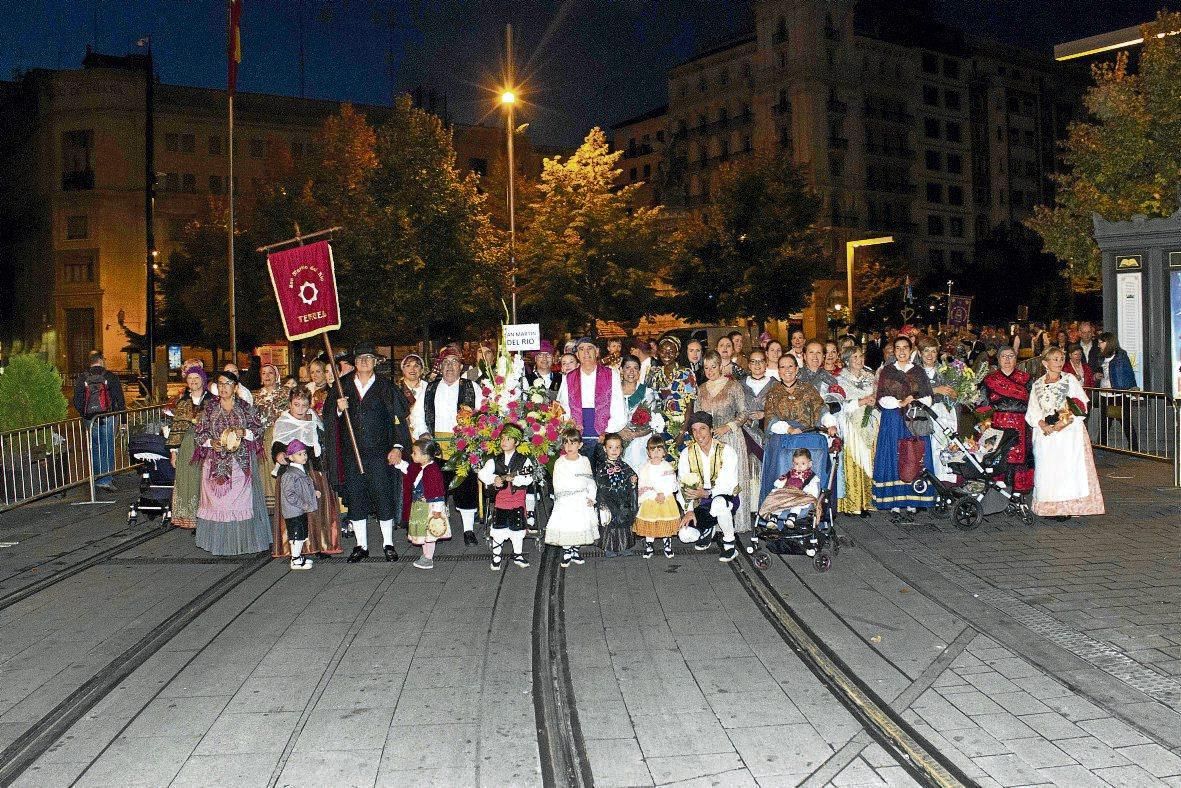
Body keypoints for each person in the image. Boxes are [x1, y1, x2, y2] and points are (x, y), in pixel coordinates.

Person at [325, 342, 412, 563]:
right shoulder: (341, 386)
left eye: (369, 358)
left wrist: (397, 447)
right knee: (356, 499)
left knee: (383, 496)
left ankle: (388, 543)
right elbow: (328, 418)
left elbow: (399, 420)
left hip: (379, 453)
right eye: (360, 358)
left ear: (376, 362)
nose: (364, 362)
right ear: (354, 362)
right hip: (351, 454)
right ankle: (360, 545)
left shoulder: (386, 387)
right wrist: (337, 408)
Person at [193, 370, 272, 555]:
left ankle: (242, 541)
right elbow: (200, 433)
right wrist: (211, 443)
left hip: (240, 463)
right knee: (217, 505)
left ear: (235, 387)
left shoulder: (246, 408)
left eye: (228, 384)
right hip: (215, 463)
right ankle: (218, 543)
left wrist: (244, 433)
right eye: (220, 384)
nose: (223, 387)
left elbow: (259, 430)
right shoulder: (209, 408)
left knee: (239, 503)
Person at [1026, 348, 1105, 518]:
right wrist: (1042, 424)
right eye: (1055, 359)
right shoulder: (1038, 384)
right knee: (1048, 470)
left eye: (1061, 359)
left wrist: (1063, 422)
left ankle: (1067, 507)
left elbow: (1080, 404)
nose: (1059, 362)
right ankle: (1049, 506)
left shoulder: (1070, 380)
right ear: (1045, 363)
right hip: (1046, 434)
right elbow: (1033, 410)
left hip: (1068, 432)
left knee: (1067, 469)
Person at [871, 336, 936, 522]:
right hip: (893, 419)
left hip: (914, 419)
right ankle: (895, 502)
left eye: (905, 348)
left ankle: (913, 500)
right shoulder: (887, 371)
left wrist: (913, 401)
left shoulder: (919, 371)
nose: (901, 352)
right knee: (895, 455)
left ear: (911, 350)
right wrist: (899, 402)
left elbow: (928, 397)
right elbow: (882, 397)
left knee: (914, 456)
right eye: (897, 348)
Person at [272, 388, 341, 559]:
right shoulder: (284, 422)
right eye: (296, 405)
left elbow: (322, 439)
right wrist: (279, 454)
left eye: (304, 405)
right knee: (296, 507)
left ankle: (319, 544)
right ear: (290, 404)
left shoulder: (314, 419)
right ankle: (295, 547)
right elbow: (278, 444)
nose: (300, 409)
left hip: (313, 468)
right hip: (293, 470)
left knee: (318, 505)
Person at [423, 347, 483, 544]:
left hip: (463, 446)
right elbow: (420, 414)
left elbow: (482, 414)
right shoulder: (430, 387)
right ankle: (438, 528)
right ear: (440, 366)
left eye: (454, 362)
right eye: (446, 362)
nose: (450, 366)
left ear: (461, 366)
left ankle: (468, 531)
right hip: (437, 447)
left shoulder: (472, 387)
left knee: (466, 487)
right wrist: (423, 437)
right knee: (437, 488)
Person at [695, 351, 752, 531]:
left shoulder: (733, 386)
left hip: (730, 437)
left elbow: (744, 413)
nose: (710, 371)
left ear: (720, 366)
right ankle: (713, 523)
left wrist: (727, 427)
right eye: (706, 367)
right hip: (708, 440)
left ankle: (736, 522)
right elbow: (697, 415)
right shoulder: (701, 388)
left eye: (714, 366)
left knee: (730, 480)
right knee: (711, 480)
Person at [677, 412, 741, 562]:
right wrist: (689, 510)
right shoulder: (687, 453)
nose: (699, 434)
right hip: (700, 501)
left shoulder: (726, 451)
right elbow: (683, 485)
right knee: (685, 535)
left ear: (711, 429)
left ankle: (729, 544)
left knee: (718, 504)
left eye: (703, 429)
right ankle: (707, 529)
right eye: (694, 430)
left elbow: (727, 484)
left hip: (725, 496)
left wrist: (706, 493)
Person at [557, 337, 627, 462]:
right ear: (577, 354)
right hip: (577, 438)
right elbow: (563, 406)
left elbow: (618, 406)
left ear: (597, 351)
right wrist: (570, 425)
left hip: (604, 436)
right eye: (581, 349)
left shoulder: (611, 374)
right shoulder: (569, 377)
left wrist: (607, 431)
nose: (586, 352)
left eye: (590, 348)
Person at [977, 347, 1034, 493]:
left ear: (1016, 359)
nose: (1007, 360)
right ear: (998, 359)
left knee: (1019, 458)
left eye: (1011, 356)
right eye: (1004, 356)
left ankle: (1018, 492)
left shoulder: (1026, 379)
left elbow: (1034, 403)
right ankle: (996, 492)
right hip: (996, 423)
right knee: (997, 457)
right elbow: (983, 404)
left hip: (1021, 424)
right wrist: (984, 423)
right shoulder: (989, 380)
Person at [477, 425, 534, 570]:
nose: (504, 442)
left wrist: (514, 479)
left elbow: (528, 478)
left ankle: (518, 554)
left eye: (508, 439)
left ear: (517, 442)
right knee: (498, 528)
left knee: (517, 528)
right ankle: (496, 557)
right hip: (501, 500)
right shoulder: (494, 460)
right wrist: (494, 478)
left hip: (517, 499)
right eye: (502, 438)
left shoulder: (524, 461)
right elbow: (482, 474)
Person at [547, 427, 599, 568]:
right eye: (566, 443)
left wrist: (591, 497)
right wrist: (561, 498)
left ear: (580, 445)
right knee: (567, 525)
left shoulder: (585, 461)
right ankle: (567, 551)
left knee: (579, 524)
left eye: (573, 443)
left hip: (581, 499)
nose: (569, 446)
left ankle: (575, 550)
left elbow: (590, 481)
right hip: (565, 501)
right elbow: (557, 482)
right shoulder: (560, 462)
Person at [73, 350, 125, 492]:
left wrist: (85, 414)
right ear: (101, 360)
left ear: (90, 362)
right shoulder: (110, 376)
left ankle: (98, 477)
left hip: (90, 419)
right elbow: (119, 399)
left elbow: (76, 400)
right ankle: (106, 479)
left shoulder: (82, 377)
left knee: (94, 447)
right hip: (108, 417)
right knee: (107, 446)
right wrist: (123, 420)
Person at [166, 366, 210, 528]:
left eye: (196, 378)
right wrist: (174, 452)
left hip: (205, 446)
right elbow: (176, 427)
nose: (193, 381)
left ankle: (205, 518)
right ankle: (188, 517)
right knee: (186, 479)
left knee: (203, 480)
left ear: (203, 380)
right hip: (186, 446)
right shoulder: (183, 401)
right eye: (190, 378)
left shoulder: (211, 401)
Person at [836, 347, 877, 517]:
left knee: (868, 461)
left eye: (861, 356)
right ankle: (852, 503)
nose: (859, 359)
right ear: (847, 360)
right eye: (855, 357)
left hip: (870, 424)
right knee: (854, 462)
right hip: (852, 425)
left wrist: (874, 401)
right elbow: (839, 405)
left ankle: (867, 501)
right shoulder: (840, 379)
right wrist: (861, 401)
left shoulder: (871, 377)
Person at [402, 438, 450, 570]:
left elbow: (437, 492)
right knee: (423, 533)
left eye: (415, 453)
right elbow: (409, 471)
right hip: (420, 507)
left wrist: (437, 509)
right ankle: (425, 555)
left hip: (429, 508)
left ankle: (428, 557)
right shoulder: (422, 467)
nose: (412, 455)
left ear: (425, 456)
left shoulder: (432, 470)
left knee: (429, 534)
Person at [916, 336, 958, 483]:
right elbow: (911, 393)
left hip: (943, 414)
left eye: (933, 351)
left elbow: (955, 395)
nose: (929, 355)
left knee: (943, 447)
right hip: (922, 415)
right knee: (926, 449)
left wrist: (955, 394)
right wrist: (936, 390)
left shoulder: (946, 371)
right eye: (926, 351)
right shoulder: (914, 371)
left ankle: (943, 483)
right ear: (920, 353)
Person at [634, 434, 681, 559]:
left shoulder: (667, 466)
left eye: (659, 450)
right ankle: (649, 545)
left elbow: (672, 482)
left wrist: (663, 493)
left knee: (665, 522)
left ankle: (667, 545)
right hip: (650, 500)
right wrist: (654, 494)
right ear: (648, 452)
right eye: (652, 449)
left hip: (666, 500)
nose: (655, 453)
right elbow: (643, 484)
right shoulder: (644, 468)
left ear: (664, 452)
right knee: (651, 523)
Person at [278, 439, 320, 570]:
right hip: (294, 511)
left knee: (301, 534)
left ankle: (297, 556)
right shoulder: (290, 475)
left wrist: (313, 493)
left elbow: (303, 488)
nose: (304, 457)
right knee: (296, 535)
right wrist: (304, 504)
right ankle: (295, 559)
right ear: (290, 457)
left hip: (299, 510)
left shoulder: (300, 471)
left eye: (305, 453)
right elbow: (290, 494)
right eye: (299, 454)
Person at [254, 364, 290, 513]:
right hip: (262, 435)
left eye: (270, 373)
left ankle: (284, 500)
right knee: (264, 467)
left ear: (276, 375)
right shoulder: (256, 396)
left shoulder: (285, 393)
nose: (267, 376)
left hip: (281, 434)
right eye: (264, 373)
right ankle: (268, 504)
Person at [596, 433, 638, 557]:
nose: (614, 450)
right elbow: (600, 484)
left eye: (617, 447)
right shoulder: (602, 468)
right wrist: (604, 501)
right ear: (605, 448)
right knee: (610, 523)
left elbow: (631, 478)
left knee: (624, 522)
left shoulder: (624, 466)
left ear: (621, 449)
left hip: (623, 500)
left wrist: (633, 481)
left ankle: (625, 546)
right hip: (609, 500)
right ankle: (609, 547)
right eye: (610, 447)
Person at [1097, 331, 1139, 452]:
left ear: (1108, 342)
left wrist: (1134, 388)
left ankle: (1134, 449)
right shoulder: (1102, 356)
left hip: (1118, 394)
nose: (1099, 345)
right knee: (1105, 422)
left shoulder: (1121, 355)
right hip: (1105, 394)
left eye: (1101, 342)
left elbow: (1129, 372)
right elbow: (1104, 371)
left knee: (1125, 422)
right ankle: (1102, 447)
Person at [619, 355, 659, 470]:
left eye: (635, 368)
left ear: (639, 371)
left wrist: (635, 434)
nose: (631, 371)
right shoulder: (614, 391)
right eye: (627, 367)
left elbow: (653, 422)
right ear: (621, 370)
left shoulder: (647, 392)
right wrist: (620, 431)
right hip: (617, 442)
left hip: (641, 443)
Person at [766, 448, 821, 530]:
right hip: (788, 494)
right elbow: (781, 481)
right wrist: (779, 487)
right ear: (793, 464)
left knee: (798, 503)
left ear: (810, 464)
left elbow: (814, 489)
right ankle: (773, 518)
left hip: (800, 496)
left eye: (803, 463)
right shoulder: (790, 473)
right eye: (796, 464)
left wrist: (810, 496)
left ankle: (792, 517)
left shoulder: (811, 476)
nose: (799, 466)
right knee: (779, 502)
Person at [399, 353, 429, 439]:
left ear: (422, 370)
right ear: (402, 369)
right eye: (408, 365)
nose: (412, 369)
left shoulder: (429, 388)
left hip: (425, 435)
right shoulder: (396, 389)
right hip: (403, 434)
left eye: (416, 366)